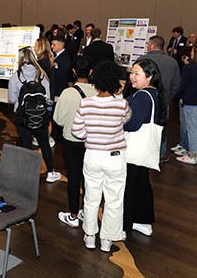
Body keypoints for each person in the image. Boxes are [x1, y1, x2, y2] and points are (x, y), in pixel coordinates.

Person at [72, 61, 132, 252]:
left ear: (95, 81)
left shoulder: (86, 103)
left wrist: (91, 134)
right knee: (114, 200)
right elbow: (127, 119)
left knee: (91, 198)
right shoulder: (121, 104)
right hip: (115, 157)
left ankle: (90, 236)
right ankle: (107, 240)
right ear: (116, 81)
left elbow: (77, 132)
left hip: (92, 156)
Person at [122, 59, 164, 237]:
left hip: (133, 150)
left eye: (136, 73)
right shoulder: (153, 94)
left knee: (129, 187)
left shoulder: (142, 96)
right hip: (143, 150)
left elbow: (131, 125)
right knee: (142, 184)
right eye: (131, 72)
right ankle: (143, 221)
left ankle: (124, 225)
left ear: (149, 76)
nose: (132, 76)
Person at [54, 56, 97, 228]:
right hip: (92, 142)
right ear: (91, 72)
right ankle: (87, 212)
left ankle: (73, 214)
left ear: (73, 71)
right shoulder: (98, 92)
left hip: (71, 140)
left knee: (73, 178)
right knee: (89, 178)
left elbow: (58, 119)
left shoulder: (68, 93)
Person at [8, 46, 60, 183]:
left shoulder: (16, 77)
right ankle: (50, 172)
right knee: (44, 144)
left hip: (22, 116)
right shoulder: (42, 75)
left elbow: (12, 99)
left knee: (26, 143)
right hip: (41, 116)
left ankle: (28, 173)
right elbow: (48, 98)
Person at [137, 36, 181, 162]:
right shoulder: (172, 61)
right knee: (162, 129)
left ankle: (143, 154)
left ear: (151, 45)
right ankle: (160, 155)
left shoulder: (142, 60)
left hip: (144, 101)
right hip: (163, 102)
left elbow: (135, 81)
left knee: (143, 128)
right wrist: (168, 98)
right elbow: (177, 83)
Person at [51, 35, 71, 100]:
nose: (52, 46)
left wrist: (56, 66)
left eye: (54, 45)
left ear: (61, 45)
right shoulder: (53, 55)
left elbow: (63, 74)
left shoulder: (65, 58)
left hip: (59, 89)